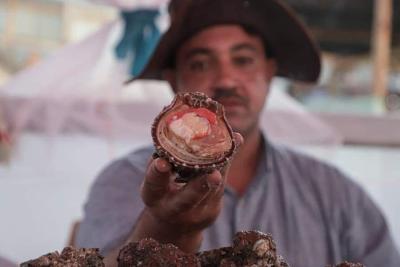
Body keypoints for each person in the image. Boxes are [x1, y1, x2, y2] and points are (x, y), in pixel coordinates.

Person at [76, 0, 400, 266]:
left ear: (269, 72)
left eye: (243, 59)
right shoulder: (122, 181)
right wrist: (165, 227)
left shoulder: (336, 196)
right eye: (201, 64)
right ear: (174, 81)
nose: (227, 80)